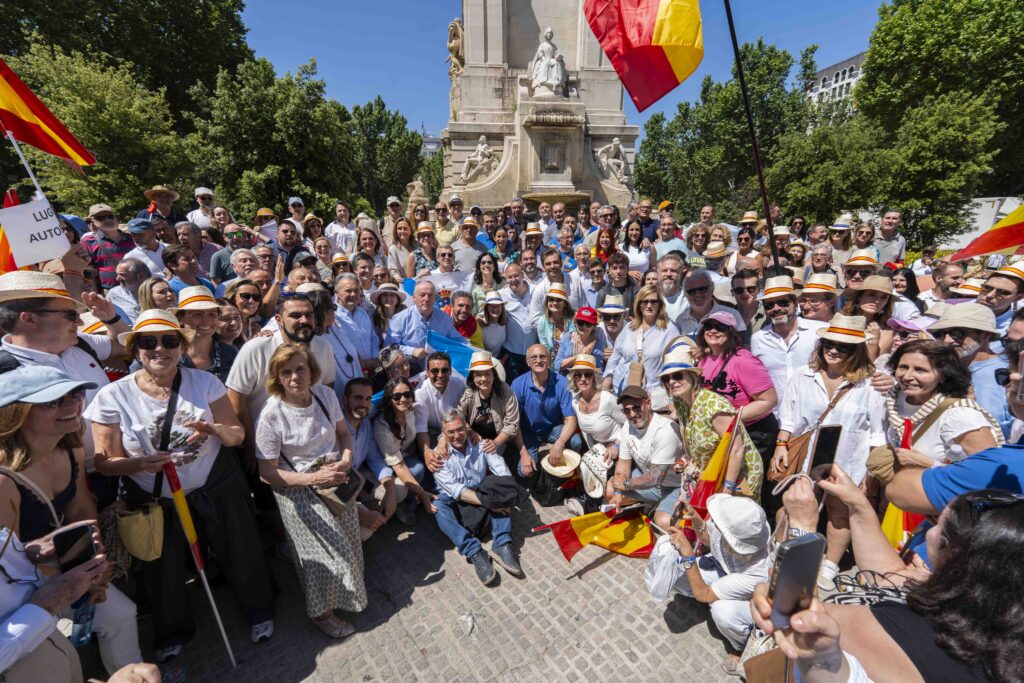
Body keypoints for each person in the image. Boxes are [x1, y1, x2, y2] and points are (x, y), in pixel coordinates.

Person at [85, 310, 274, 661]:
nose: (160, 349)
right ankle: (172, 635)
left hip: (214, 486)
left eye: (170, 341)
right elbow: (105, 462)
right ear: (135, 349)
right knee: (164, 571)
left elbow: (236, 435)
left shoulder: (205, 383)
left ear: (182, 346)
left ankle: (259, 611)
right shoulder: (112, 396)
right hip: (154, 498)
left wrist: (215, 430)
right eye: (148, 342)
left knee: (241, 550)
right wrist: (139, 463)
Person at [751, 483, 1023, 682]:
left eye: (937, 523)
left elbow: (803, 617)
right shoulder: (998, 625)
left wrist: (802, 529)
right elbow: (892, 576)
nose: (928, 527)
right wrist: (857, 504)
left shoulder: (908, 629)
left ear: (954, 555)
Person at [0, 366, 143, 676]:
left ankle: (134, 677)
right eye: (53, 401)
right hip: (23, 595)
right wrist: (79, 581)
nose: (73, 405)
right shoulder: (4, 480)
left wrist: (96, 565)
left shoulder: (69, 443)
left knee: (121, 613)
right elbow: (11, 569)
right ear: (16, 413)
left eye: (75, 394)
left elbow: (80, 508)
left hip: (69, 564)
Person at [254, 344, 366, 638]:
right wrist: (314, 478)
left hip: (335, 482)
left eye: (300, 369)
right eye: (286, 372)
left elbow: (343, 434)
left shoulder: (325, 395)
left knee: (348, 543)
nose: (295, 377)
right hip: (298, 491)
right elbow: (266, 473)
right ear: (277, 377)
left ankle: (346, 596)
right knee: (321, 559)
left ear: (311, 370)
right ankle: (321, 614)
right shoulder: (271, 416)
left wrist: (346, 459)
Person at [774, 313, 885, 587]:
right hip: (807, 453)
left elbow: (877, 433)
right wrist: (781, 445)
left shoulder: (871, 383)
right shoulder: (804, 374)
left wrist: (870, 474)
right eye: (828, 344)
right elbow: (788, 416)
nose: (833, 350)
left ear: (857, 350)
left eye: (843, 346)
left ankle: (830, 565)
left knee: (839, 512)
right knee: (794, 503)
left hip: (849, 456)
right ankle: (786, 553)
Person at [659, 495, 771, 674]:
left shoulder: (757, 572)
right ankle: (718, 592)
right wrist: (696, 517)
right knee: (674, 573)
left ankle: (742, 645)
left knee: (723, 612)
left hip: (748, 594)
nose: (715, 524)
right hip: (723, 570)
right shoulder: (732, 522)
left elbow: (703, 595)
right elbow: (708, 539)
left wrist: (688, 555)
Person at [226, 295, 336, 471]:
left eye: (309, 315)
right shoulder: (256, 348)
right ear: (279, 320)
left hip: (312, 454)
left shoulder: (324, 347)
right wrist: (253, 447)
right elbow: (235, 400)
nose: (304, 320)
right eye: (295, 315)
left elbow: (326, 394)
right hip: (265, 455)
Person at [879, 339, 1001, 470]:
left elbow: (988, 470)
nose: (907, 376)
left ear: (943, 375)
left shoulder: (959, 414)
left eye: (920, 370)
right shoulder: (895, 399)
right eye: (903, 367)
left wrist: (931, 464)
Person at [659, 347, 763, 498]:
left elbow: (736, 449)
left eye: (677, 376)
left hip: (738, 477)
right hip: (712, 475)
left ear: (693, 376)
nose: (671, 382)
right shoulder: (680, 403)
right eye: (666, 379)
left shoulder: (713, 404)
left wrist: (728, 489)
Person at [433, 410, 522, 585]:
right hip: (457, 498)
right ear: (444, 433)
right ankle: (474, 551)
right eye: (451, 432)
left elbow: (501, 469)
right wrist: (492, 503)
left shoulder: (481, 443)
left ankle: (502, 542)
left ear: (467, 427)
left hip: (479, 490)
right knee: (438, 507)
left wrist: (507, 494)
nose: (457, 435)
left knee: (498, 484)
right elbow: (457, 491)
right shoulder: (438, 456)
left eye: (460, 429)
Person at [696, 310, 778, 471]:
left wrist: (730, 418)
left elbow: (769, 400)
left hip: (753, 432)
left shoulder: (744, 360)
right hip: (724, 432)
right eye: (708, 326)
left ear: (732, 332)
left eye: (720, 327)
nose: (713, 330)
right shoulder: (704, 360)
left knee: (746, 483)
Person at [927, 303, 1012, 437]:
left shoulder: (1007, 372)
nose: (947, 340)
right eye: (941, 334)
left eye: (957, 333)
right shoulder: (937, 367)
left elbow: (1013, 428)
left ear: (986, 334)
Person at [604, 385, 683, 529]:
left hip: (675, 486)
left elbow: (655, 477)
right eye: (627, 410)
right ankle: (651, 505)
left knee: (664, 522)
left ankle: (684, 518)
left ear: (648, 403)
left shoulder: (665, 430)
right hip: (647, 480)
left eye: (636, 407)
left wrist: (625, 485)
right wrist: (618, 491)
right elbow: (623, 464)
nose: (632, 414)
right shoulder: (628, 426)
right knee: (610, 491)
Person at [750, 276, 827, 413]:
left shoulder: (819, 332)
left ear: (795, 303)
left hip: (815, 413)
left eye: (783, 303)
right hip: (775, 415)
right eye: (769, 305)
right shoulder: (758, 339)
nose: (776, 308)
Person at [511, 344, 583, 478]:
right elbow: (514, 423)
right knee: (524, 472)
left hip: (552, 429)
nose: (539, 361)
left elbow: (571, 419)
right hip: (529, 432)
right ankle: (519, 454)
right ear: (527, 362)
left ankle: (564, 471)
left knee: (576, 442)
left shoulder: (562, 382)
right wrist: (523, 453)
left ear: (549, 360)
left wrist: (559, 444)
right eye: (534, 357)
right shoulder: (518, 385)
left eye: (543, 357)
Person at [374, 377, 433, 526]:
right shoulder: (382, 426)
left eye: (407, 394)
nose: (403, 399)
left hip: (404, 456)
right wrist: (421, 493)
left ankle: (415, 495)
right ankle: (404, 504)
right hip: (386, 467)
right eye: (396, 396)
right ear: (389, 400)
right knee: (417, 469)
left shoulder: (410, 411)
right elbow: (398, 466)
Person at [604, 285, 681, 391]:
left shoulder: (670, 330)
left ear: (660, 305)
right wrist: (607, 381)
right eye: (644, 302)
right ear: (639, 305)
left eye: (654, 302)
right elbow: (615, 356)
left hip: (652, 390)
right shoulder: (629, 327)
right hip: (622, 389)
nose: (649, 305)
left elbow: (676, 362)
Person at [455, 351, 520, 464]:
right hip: (474, 441)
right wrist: (471, 432)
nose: (483, 379)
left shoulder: (506, 392)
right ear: (473, 378)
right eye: (478, 375)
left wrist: (496, 443)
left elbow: (511, 424)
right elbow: (459, 418)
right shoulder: (468, 394)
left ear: (493, 375)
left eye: (487, 374)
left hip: (500, 441)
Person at [385, 280, 464, 363]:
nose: (426, 299)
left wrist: (471, 350)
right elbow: (389, 346)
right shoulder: (399, 318)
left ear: (435, 298)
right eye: (422, 295)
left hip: (439, 367)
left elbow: (458, 340)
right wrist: (411, 351)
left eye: (430, 295)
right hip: (410, 367)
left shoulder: (445, 318)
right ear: (414, 297)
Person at [173, 286, 238, 383]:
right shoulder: (170, 354)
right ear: (180, 318)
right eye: (197, 314)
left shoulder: (230, 354)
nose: (206, 321)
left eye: (212, 314)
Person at [415, 352, 468, 459]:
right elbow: (421, 429)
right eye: (435, 371)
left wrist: (444, 437)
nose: (440, 375)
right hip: (432, 433)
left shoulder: (459, 385)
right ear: (427, 372)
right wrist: (426, 451)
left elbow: (464, 415)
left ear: (450, 371)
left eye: (444, 370)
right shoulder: (420, 394)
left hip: (455, 429)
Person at [81, 204, 136, 290]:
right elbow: (87, 273)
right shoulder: (87, 242)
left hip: (137, 288)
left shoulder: (132, 238)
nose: (107, 220)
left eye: (110, 216)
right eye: (100, 218)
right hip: (109, 292)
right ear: (92, 222)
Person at [841, 274, 894, 360]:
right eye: (871, 294)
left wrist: (874, 341)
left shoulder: (886, 333)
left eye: (884, 297)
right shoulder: (840, 320)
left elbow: (874, 364)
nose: (877, 301)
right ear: (859, 297)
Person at [554, 306, 607, 375]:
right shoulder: (567, 337)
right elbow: (557, 365)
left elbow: (599, 372)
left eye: (588, 324)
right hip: (564, 377)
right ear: (575, 323)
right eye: (580, 322)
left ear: (593, 326)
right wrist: (579, 356)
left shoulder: (597, 344)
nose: (584, 326)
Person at [107, 259, 151, 324]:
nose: (117, 278)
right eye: (117, 274)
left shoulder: (159, 291)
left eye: (122, 275)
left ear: (140, 276)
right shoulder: (114, 294)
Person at [536, 283, 574, 358]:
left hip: (571, 360)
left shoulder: (573, 319)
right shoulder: (542, 322)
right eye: (551, 299)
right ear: (547, 302)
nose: (554, 303)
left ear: (565, 304)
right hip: (551, 361)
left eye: (559, 300)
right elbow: (545, 348)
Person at [477, 291, 507, 356]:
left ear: (502, 308)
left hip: (500, 358)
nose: (495, 309)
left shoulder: (505, 322)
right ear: (487, 308)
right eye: (492, 306)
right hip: (486, 359)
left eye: (498, 306)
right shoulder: (481, 324)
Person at [386, 217, 415, 282]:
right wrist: (398, 277)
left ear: (410, 230)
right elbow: (392, 271)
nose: (402, 231)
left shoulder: (417, 245)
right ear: (396, 231)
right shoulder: (393, 249)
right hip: (404, 283)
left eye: (405, 228)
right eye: (399, 228)